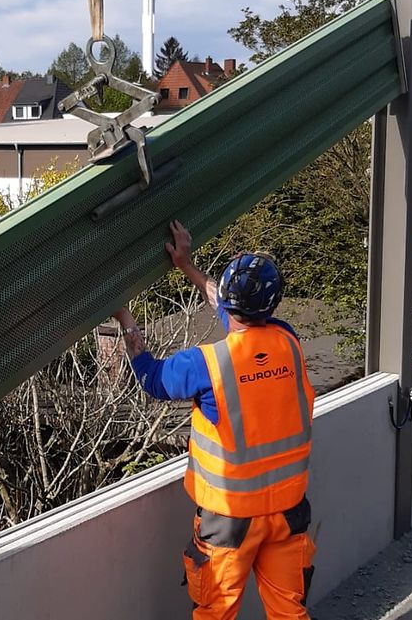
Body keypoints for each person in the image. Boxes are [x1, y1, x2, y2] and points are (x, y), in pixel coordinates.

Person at [112, 220, 317, 620]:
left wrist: (125, 319)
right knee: (289, 613)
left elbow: (152, 378)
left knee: (215, 613)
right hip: (288, 512)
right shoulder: (288, 341)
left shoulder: (206, 365)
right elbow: (231, 309)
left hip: (229, 520)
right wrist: (187, 267)